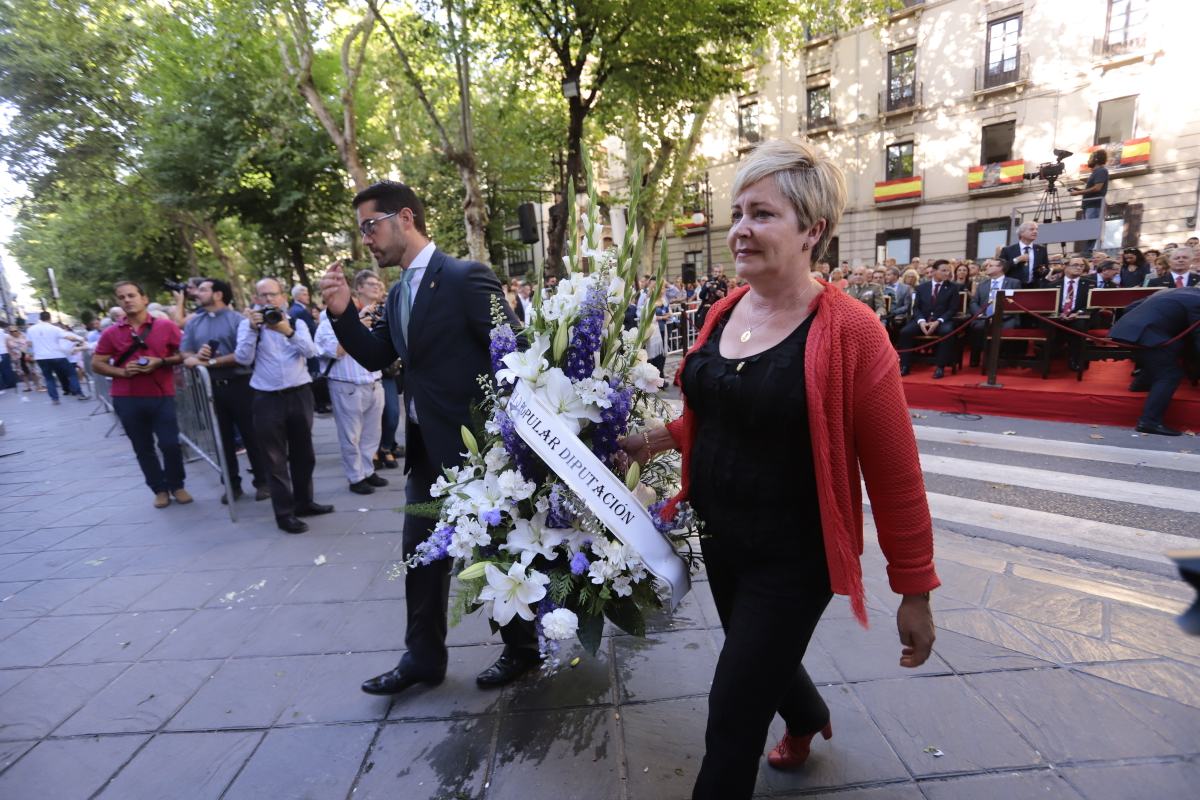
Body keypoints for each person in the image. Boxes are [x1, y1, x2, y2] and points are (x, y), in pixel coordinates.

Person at [617, 139, 937, 800]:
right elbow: (716, 416)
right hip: (721, 535)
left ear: (811, 230)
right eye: (738, 212)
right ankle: (810, 716)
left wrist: (915, 590)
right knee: (755, 652)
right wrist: (648, 442)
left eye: (761, 214)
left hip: (797, 555)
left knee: (732, 709)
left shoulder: (853, 332)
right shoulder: (722, 311)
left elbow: (896, 472)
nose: (739, 230)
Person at [319, 180, 539, 697]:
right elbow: (378, 356)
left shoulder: (464, 277)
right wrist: (340, 310)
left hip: (476, 454)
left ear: (405, 218)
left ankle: (523, 648)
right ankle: (423, 659)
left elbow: (515, 351)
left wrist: (507, 438)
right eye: (361, 231)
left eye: (370, 226)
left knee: (492, 556)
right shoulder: (397, 294)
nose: (366, 239)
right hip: (424, 453)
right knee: (421, 559)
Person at [235, 277, 333, 533]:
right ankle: (284, 514)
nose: (268, 300)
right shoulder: (248, 326)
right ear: (256, 299)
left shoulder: (296, 322)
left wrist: (287, 331)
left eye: (273, 295)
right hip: (267, 398)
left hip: (299, 394)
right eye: (263, 295)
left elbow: (312, 352)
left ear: (283, 297)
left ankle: (305, 502)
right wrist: (253, 330)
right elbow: (242, 358)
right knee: (274, 459)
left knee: (304, 454)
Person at [91, 281, 190, 508]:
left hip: (161, 394)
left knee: (169, 444)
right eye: (122, 297)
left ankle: (177, 485)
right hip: (126, 397)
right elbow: (97, 363)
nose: (127, 300)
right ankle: (159, 489)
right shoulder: (111, 333)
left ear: (144, 298)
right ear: (118, 302)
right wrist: (122, 372)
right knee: (142, 447)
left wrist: (161, 361)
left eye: (132, 295)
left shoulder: (165, 327)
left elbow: (183, 353)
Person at [181, 278, 270, 504]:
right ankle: (231, 484)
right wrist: (194, 358)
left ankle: (263, 482)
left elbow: (242, 355)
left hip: (240, 386)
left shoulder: (237, 320)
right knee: (221, 439)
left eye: (203, 290)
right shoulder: (193, 323)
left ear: (218, 294)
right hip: (210, 389)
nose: (197, 294)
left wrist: (208, 363)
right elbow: (185, 353)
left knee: (252, 435)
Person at [314, 269, 389, 495]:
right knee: (350, 435)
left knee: (371, 434)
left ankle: (368, 470)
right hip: (347, 385)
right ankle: (355, 477)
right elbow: (335, 350)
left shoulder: (370, 314)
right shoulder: (328, 322)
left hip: (373, 382)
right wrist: (357, 328)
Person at [1111, 287, 1200, 436]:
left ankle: (1140, 385)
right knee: (1170, 374)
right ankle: (1149, 422)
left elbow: (1130, 307)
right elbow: (1198, 334)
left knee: (1161, 357)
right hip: (1148, 332)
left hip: (1129, 328)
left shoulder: (1171, 291)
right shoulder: (1198, 301)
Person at [897, 260, 961, 378]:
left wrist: (938, 322)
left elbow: (952, 309)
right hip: (923, 319)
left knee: (946, 332)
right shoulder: (921, 287)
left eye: (948, 271)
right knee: (905, 332)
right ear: (934, 271)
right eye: (944, 270)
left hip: (942, 320)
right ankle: (905, 365)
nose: (947, 273)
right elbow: (916, 308)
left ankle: (940, 367)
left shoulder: (953, 288)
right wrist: (921, 322)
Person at [967, 258, 1021, 367]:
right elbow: (973, 302)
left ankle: (997, 360)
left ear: (1000, 267)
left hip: (1005, 318)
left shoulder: (1013, 283)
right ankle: (977, 359)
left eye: (990, 265)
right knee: (977, 327)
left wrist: (997, 316)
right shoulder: (982, 284)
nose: (986, 267)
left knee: (1005, 328)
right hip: (984, 317)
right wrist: (981, 314)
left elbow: (1016, 303)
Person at [27, 311, 86, 404]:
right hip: (57, 355)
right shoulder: (54, 328)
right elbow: (69, 337)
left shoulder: (31, 329)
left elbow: (29, 344)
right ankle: (79, 393)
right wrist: (80, 339)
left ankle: (55, 399)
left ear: (40, 318)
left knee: (48, 378)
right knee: (72, 374)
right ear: (49, 318)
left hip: (41, 357)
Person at [1046, 256, 1092, 371]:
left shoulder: (1090, 284)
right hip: (1058, 316)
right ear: (1065, 267)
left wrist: (1078, 313)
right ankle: (1047, 358)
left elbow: (1093, 305)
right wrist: (1059, 314)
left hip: (1080, 316)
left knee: (1079, 325)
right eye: (1075, 265)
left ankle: (1075, 359)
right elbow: (1049, 304)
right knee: (1048, 326)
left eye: (1081, 266)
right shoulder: (1053, 285)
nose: (1079, 268)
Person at [1068, 149, 1109, 255]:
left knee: (1091, 229)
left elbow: (1097, 188)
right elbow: (1094, 188)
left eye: (1090, 157)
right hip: (1091, 205)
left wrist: (1078, 193)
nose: (1088, 160)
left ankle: (1087, 251)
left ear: (1096, 159)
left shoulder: (1101, 171)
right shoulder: (1097, 172)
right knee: (1088, 229)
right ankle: (1086, 251)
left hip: (1094, 205)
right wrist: (1080, 190)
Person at [1000, 221, 1049, 288]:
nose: (1035, 232)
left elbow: (1045, 268)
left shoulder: (1041, 250)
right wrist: (1017, 259)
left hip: (1034, 287)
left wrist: (1043, 270)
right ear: (1021, 233)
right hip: (1014, 287)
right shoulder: (1008, 250)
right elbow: (1001, 268)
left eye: (1036, 229)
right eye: (1031, 229)